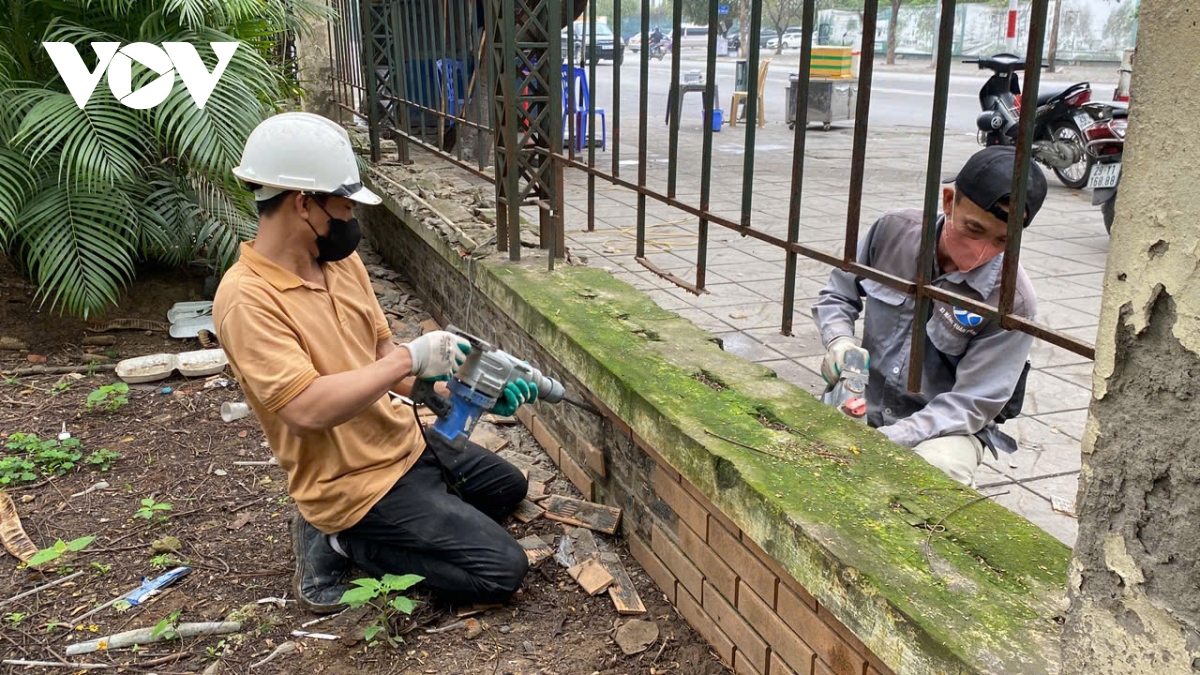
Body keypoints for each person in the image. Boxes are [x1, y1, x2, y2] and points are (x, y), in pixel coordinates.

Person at [213, 112, 538, 613]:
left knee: (507, 489)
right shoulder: (246, 299)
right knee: (501, 571)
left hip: (400, 443)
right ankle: (341, 540)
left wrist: (447, 391)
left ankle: (415, 517)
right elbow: (306, 408)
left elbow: (381, 357)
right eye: (344, 206)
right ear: (304, 204)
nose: (351, 221)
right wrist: (413, 355)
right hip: (350, 481)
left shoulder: (342, 264)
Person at [811, 146, 1048, 485]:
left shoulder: (1012, 301)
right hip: (863, 397)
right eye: (973, 230)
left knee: (931, 473)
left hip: (945, 428)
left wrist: (894, 437)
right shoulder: (893, 231)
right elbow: (838, 293)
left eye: (1002, 240)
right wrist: (840, 342)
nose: (981, 251)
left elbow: (972, 402)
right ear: (949, 201)